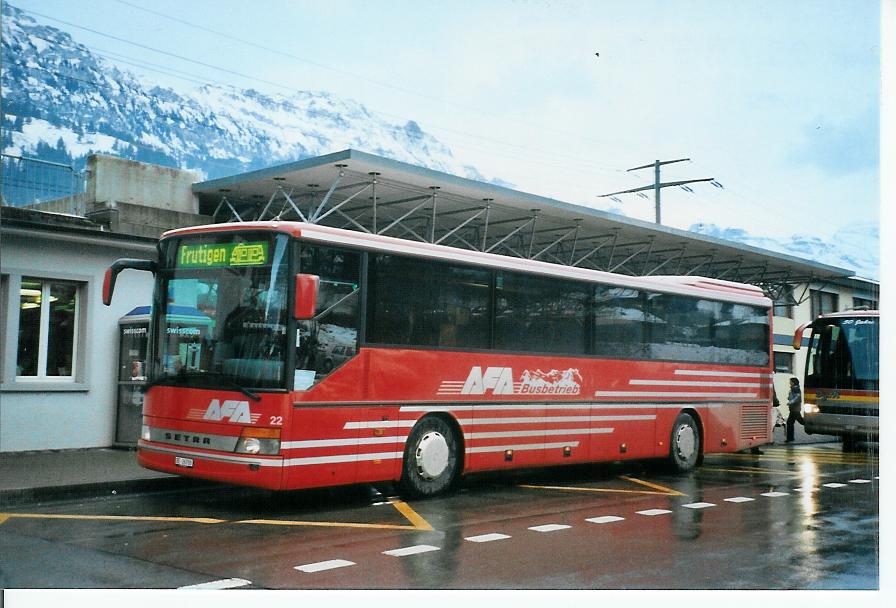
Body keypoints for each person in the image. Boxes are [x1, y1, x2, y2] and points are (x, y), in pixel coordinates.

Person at [785, 377, 804, 443]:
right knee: (790, 422)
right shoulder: (793, 388)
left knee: (800, 421)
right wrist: (789, 398)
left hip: (795, 408)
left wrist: (790, 402)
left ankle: (810, 424)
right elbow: (793, 397)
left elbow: (797, 398)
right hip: (793, 408)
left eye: (790, 381)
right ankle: (790, 438)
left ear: (793, 382)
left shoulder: (796, 389)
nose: (789, 382)